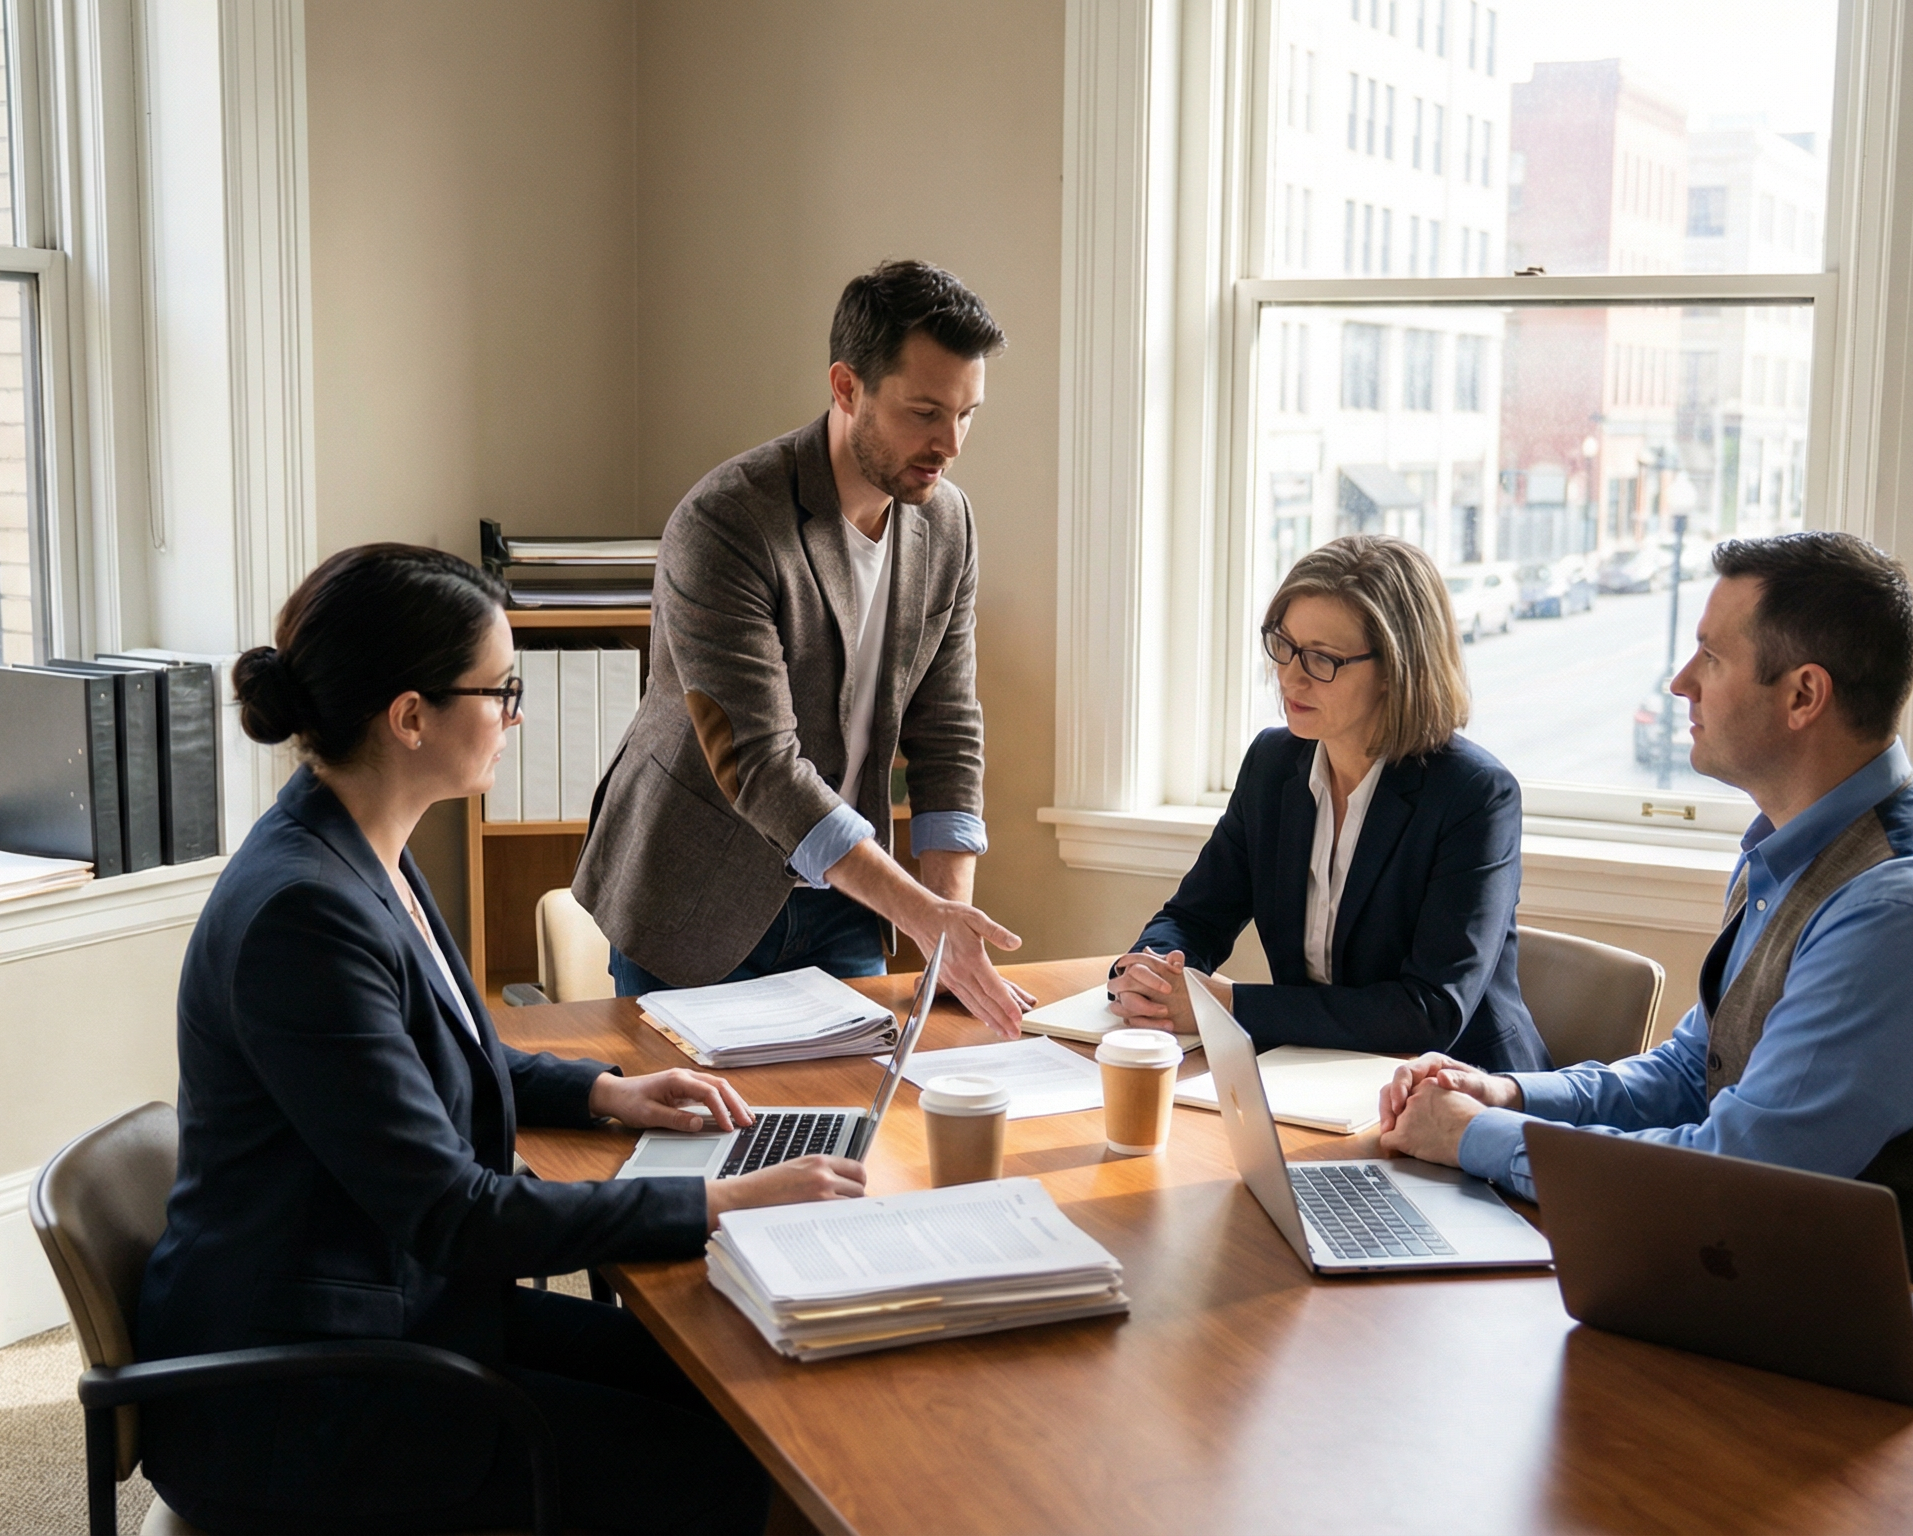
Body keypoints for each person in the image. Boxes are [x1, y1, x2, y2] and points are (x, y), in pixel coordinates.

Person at [137, 544, 863, 1535]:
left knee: (745, 1387)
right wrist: (719, 1201)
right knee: (746, 1478)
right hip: (305, 1393)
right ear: (410, 717)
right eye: (502, 689)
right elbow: (455, 1215)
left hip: (400, 1313)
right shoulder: (302, 915)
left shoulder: (358, 849)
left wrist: (603, 1094)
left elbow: (435, 1064)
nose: (516, 714)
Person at [1375, 531, 1913, 1312]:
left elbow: (1735, 1177)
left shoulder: (1902, 912)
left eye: (1711, 658)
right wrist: (1506, 1095)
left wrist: (1472, 1137)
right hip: (1805, 1291)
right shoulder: (1791, 848)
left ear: (1804, 696)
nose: (1680, 683)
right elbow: (1690, 1073)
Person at [573, 259, 1035, 1034]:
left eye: (967, 414)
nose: (949, 444)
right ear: (848, 388)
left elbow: (948, 727)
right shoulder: (727, 521)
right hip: (694, 899)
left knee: (848, 1130)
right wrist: (920, 914)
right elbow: (757, 760)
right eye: (925, 411)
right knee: (703, 1139)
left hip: (847, 902)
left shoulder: (947, 524)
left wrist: (947, 921)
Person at [1105, 535, 1551, 1073]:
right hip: (1314, 1075)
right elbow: (1194, 916)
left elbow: (1428, 1011)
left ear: (1395, 670)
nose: (1291, 675)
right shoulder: (1274, 764)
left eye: (1321, 658)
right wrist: (1153, 968)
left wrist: (1223, 1006)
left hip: (1458, 1092)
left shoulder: (1474, 795)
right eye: (1284, 645)